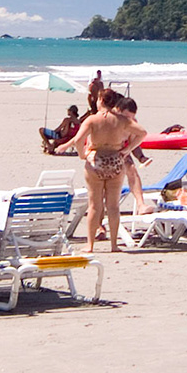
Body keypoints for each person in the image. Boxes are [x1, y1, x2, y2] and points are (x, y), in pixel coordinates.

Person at [59, 89, 145, 252]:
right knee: (113, 206)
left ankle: (90, 245)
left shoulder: (92, 119)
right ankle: (114, 245)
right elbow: (142, 133)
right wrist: (127, 150)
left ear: (101, 101)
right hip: (115, 160)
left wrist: (82, 154)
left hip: (96, 161)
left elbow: (79, 139)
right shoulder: (121, 120)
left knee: (94, 205)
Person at [116, 97, 153, 215]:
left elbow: (134, 144)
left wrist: (141, 157)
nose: (129, 120)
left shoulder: (132, 123)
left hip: (123, 152)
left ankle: (141, 205)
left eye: (131, 117)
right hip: (106, 152)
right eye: (127, 117)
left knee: (132, 170)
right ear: (118, 110)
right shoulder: (110, 121)